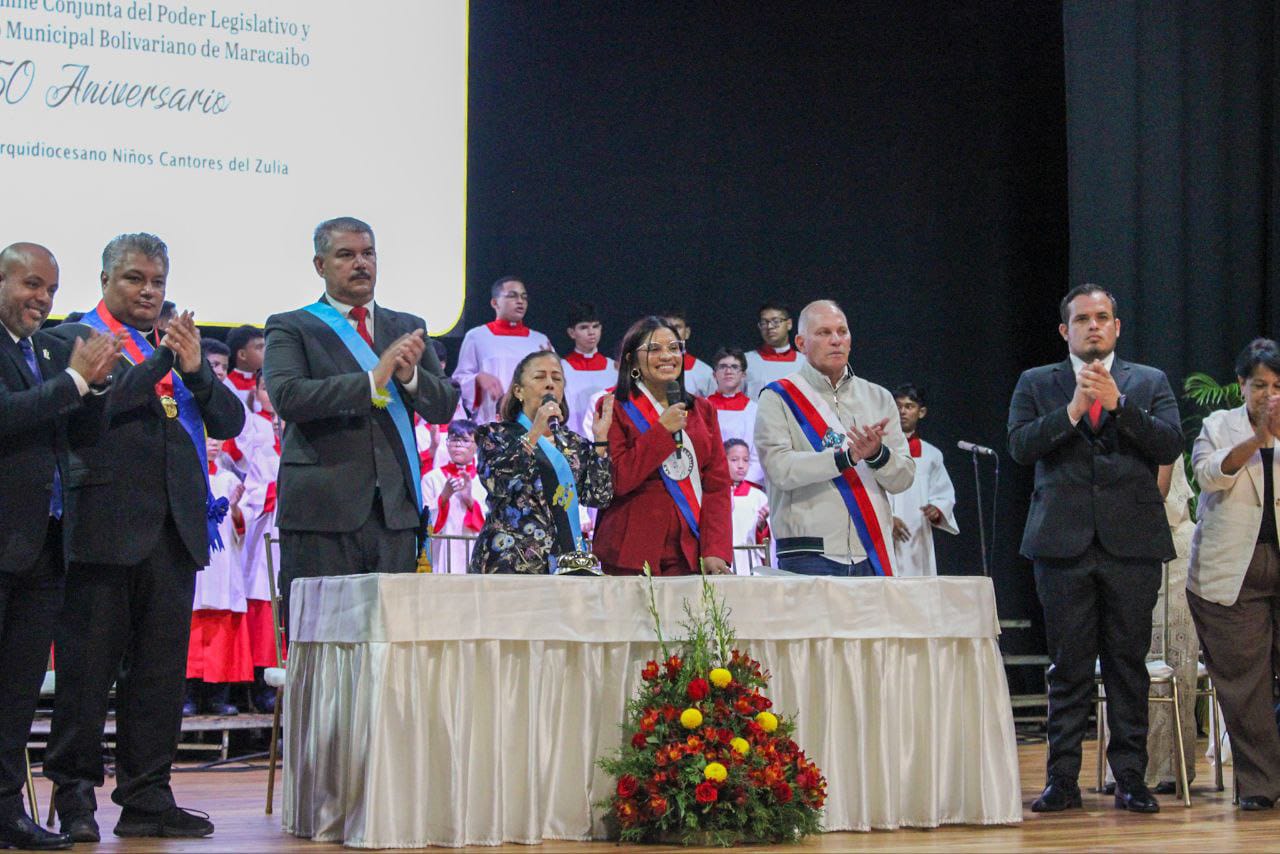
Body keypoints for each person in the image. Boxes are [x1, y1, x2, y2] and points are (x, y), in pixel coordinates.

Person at [44, 233, 246, 841]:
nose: (148, 292)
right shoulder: (73, 338)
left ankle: (147, 798)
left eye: (157, 281)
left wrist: (197, 372)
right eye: (135, 279)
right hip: (100, 528)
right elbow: (104, 407)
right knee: (86, 676)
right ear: (105, 279)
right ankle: (75, 800)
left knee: (158, 678)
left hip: (174, 531)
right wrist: (162, 361)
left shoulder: (173, 350)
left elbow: (230, 420)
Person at [1008, 283, 1182, 814]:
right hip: (1062, 545)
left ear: (1116, 327)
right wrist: (1073, 411)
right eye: (1082, 319)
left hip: (1132, 544)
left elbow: (1169, 443)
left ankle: (1129, 778)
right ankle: (1062, 780)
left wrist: (1118, 405)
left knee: (1128, 665)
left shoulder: (1147, 381)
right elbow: (1020, 446)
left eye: (1102, 317)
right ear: (1066, 330)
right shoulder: (1037, 382)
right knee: (1069, 667)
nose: (1093, 326)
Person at [263, 217, 458, 610]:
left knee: (390, 635)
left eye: (368, 253)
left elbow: (442, 407)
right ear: (320, 265)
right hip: (322, 514)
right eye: (346, 255)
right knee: (320, 633)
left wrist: (410, 377)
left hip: (395, 515)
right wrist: (372, 379)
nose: (360, 263)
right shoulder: (292, 326)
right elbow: (288, 397)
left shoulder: (408, 327)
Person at [0, 242, 117, 852]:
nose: (43, 299)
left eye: (50, 289)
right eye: (31, 285)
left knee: (17, 692)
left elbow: (72, 433)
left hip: (43, 544)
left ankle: (5, 811)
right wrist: (75, 380)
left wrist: (93, 389)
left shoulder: (40, 351)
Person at [1186, 338, 1280, 810]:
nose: (1269, 395)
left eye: (1278, 386)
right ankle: (1261, 788)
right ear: (1241, 384)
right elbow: (1207, 475)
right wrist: (1257, 439)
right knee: (1247, 687)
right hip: (1231, 572)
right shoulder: (1219, 425)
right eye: (1260, 385)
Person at [754, 300, 914, 576]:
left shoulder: (878, 397)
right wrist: (844, 458)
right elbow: (780, 469)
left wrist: (877, 455)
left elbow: (903, 478)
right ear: (801, 343)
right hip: (808, 551)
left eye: (842, 331)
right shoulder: (777, 397)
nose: (836, 340)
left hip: (871, 550)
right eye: (824, 333)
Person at [593, 316, 733, 576]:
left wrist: (715, 548)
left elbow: (717, 485)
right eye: (654, 349)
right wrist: (661, 432)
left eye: (674, 347)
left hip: (690, 550)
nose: (667, 355)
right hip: (631, 549)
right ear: (632, 360)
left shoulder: (702, 410)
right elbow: (618, 479)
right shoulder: (613, 407)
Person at [470, 351, 613, 573]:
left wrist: (601, 442)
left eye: (557, 378)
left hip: (565, 562)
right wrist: (534, 432)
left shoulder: (573, 444)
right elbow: (496, 484)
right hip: (510, 560)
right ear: (518, 391)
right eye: (539, 377)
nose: (549, 384)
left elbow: (598, 497)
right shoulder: (496, 435)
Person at [185, 438, 251, 718]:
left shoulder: (229, 479)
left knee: (221, 635)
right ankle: (188, 697)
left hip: (223, 565)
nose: (213, 444)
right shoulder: (186, 474)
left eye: (216, 438)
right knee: (190, 634)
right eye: (207, 437)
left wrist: (234, 508)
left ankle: (217, 697)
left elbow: (244, 522)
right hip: (195, 564)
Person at [452, 276, 551, 423]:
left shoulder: (540, 341)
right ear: (495, 302)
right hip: (491, 422)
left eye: (524, 297)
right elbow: (459, 380)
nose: (520, 301)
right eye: (512, 296)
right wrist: (478, 379)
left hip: (532, 423)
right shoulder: (477, 337)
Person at [888, 383, 958, 577]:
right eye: (898, 406)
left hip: (916, 535)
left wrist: (937, 510)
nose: (902, 411)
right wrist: (887, 519)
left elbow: (943, 494)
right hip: (883, 533)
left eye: (909, 406)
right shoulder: (879, 450)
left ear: (921, 412)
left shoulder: (931, 454)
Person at [422, 419, 487, 574]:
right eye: (453, 439)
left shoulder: (484, 479)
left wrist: (469, 501)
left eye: (465, 440)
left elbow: (490, 520)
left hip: (473, 548)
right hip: (442, 550)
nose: (458, 445)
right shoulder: (432, 478)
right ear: (446, 443)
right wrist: (444, 497)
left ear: (477, 445)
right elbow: (424, 522)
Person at [706, 347, 765, 485]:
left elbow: (759, 455)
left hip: (746, 485)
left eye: (734, 367)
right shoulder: (702, 408)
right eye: (723, 367)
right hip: (710, 483)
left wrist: (743, 485)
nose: (728, 371)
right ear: (714, 374)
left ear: (743, 374)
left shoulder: (755, 410)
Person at [561, 302, 616, 437]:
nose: (591, 332)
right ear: (571, 333)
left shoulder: (614, 368)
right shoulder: (561, 368)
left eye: (595, 326)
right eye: (584, 327)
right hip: (572, 438)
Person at [725, 439, 769, 575]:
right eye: (734, 460)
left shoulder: (758, 496)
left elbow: (766, 543)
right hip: (724, 561)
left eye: (745, 460)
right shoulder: (713, 494)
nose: (741, 466)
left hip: (750, 564)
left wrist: (762, 526)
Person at [745, 302, 800, 398]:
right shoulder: (746, 361)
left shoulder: (805, 363)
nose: (769, 326)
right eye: (764, 322)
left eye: (776, 321)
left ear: (789, 324)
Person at [659, 309, 715, 397]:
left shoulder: (704, 372)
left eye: (677, 327)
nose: (672, 332)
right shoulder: (648, 369)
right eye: (667, 328)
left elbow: (715, 404)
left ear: (687, 333)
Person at [224, 325, 265, 410]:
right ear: (242, 355)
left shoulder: (267, 382)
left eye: (265, 347)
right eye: (259, 347)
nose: (265, 351)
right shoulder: (226, 385)